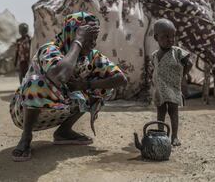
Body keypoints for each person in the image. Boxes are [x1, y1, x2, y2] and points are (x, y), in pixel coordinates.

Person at [10, 12, 127, 161]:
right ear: (72, 35)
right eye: (89, 39)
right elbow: (61, 75)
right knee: (35, 83)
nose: (93, 43)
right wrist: (78, 41)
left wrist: (85, 85)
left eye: (94, 38)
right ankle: (26, 137)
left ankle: (63, 132)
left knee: (102, 87)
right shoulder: (50, 49)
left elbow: (120, 78)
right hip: (24, 111)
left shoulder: (91, 56)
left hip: (58, 109)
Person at [150, 18, 192, 146]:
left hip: (173, 87)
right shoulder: (154, 55)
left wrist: (181, 76)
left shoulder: (177, 52)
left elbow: (189, 64)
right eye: (166, 36)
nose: (170, 40)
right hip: (159, 89)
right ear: (156, 37)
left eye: (173, 36)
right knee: (161, 111)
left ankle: (174, 136)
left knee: (173, 110)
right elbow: (156, 69)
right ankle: (161, 134)